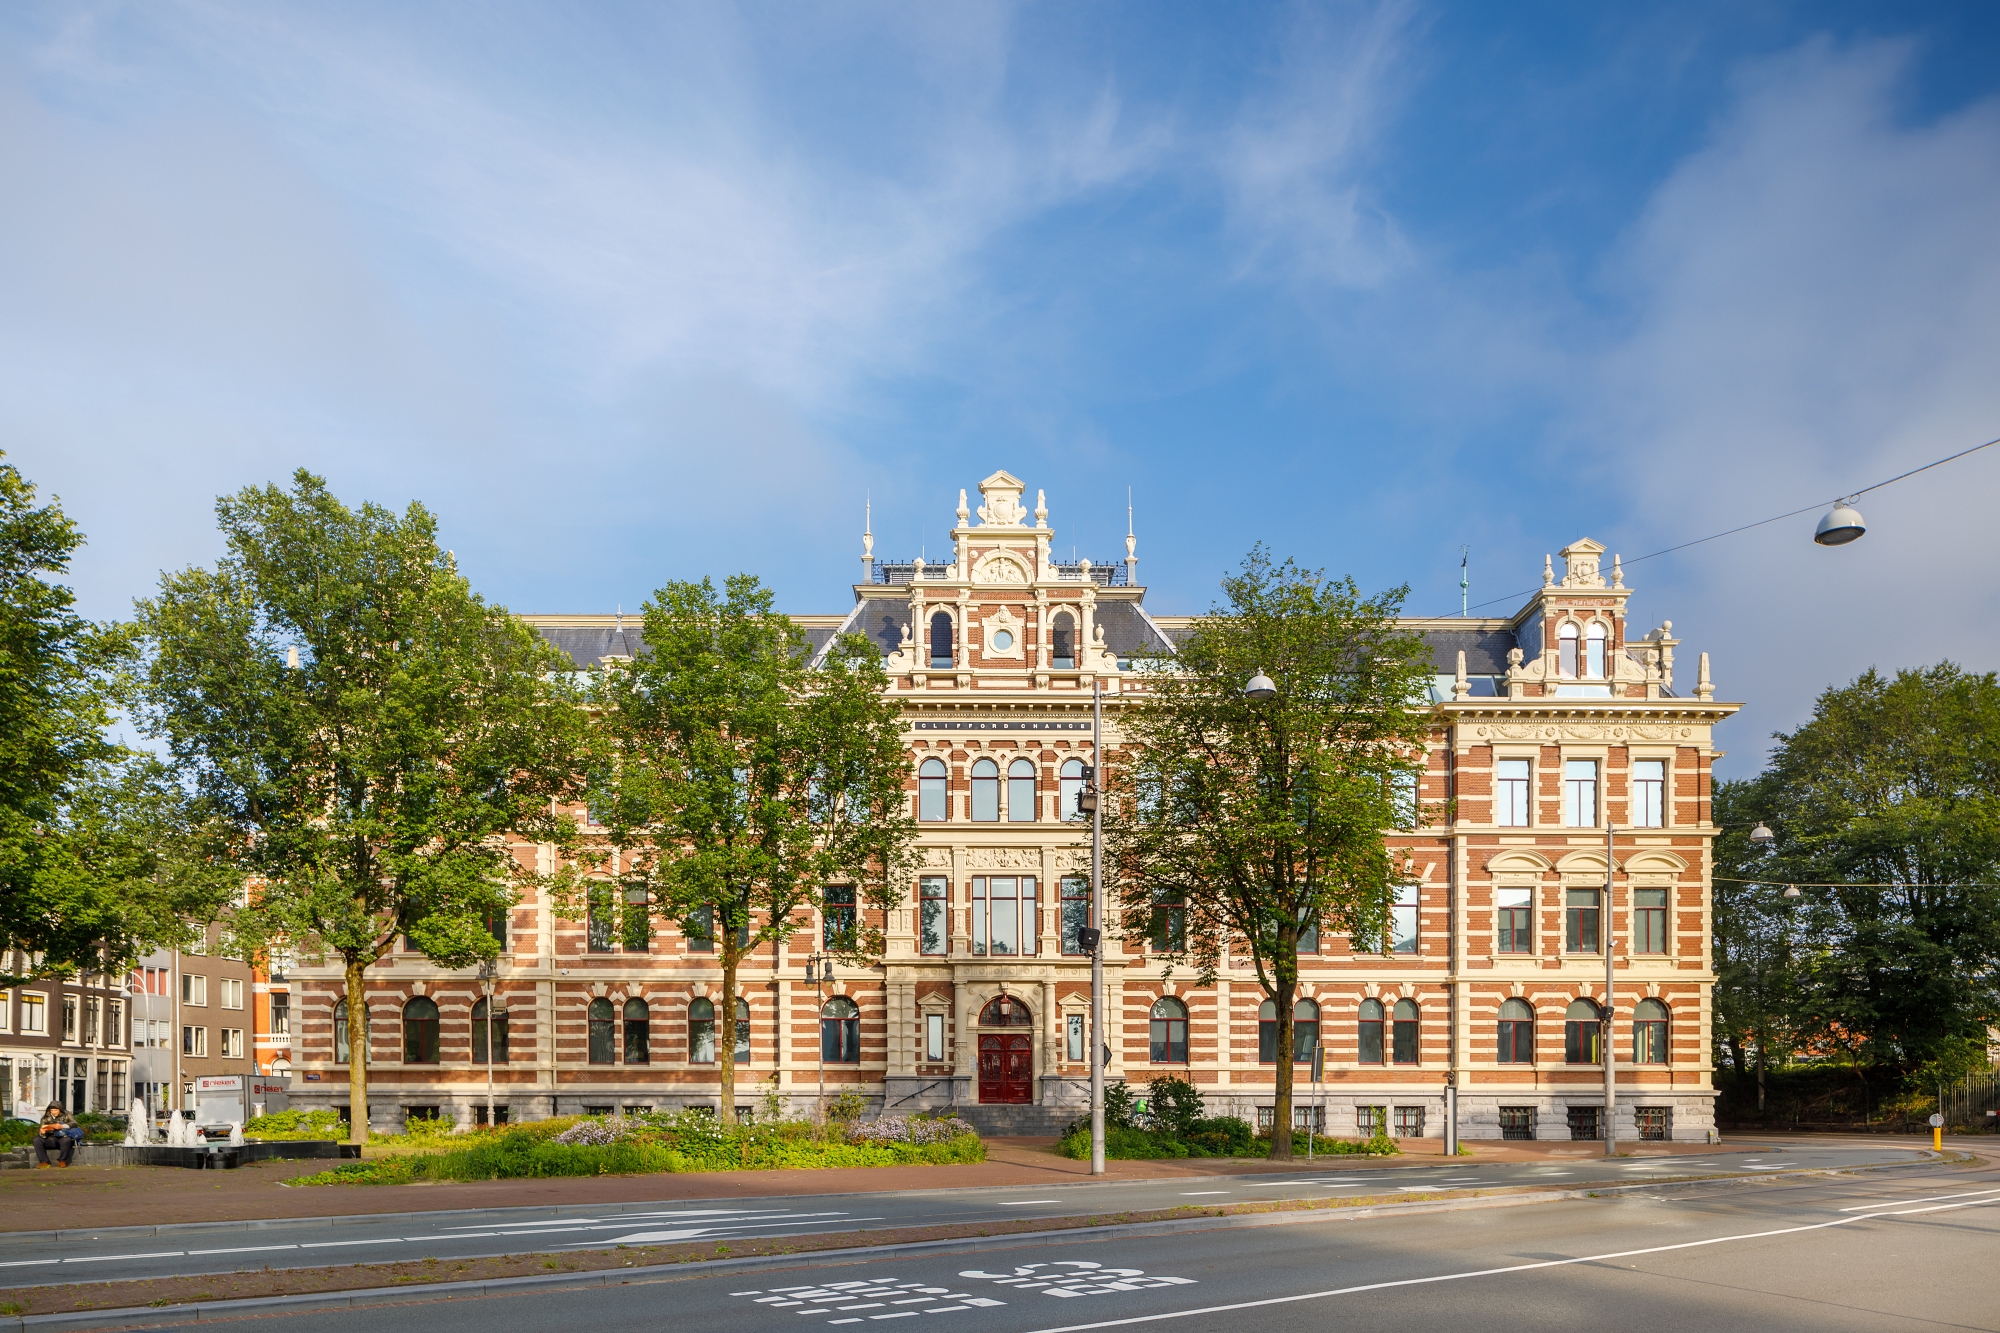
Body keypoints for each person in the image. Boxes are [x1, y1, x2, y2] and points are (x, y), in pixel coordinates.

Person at [35, 1103, 78, 1168]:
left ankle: (62, 1160)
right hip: (50, 1138)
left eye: (55, 1110)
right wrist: (42, 1132)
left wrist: (62, 1126)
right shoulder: (45, 1117)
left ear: (60, 1109)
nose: (53, 1112)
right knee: (36, 1140)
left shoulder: (67, 1114)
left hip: (62, 1137)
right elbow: (41, 1128)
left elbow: (74, 1123)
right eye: (51, 1110)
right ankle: (44, 1162)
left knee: (66, 1140)